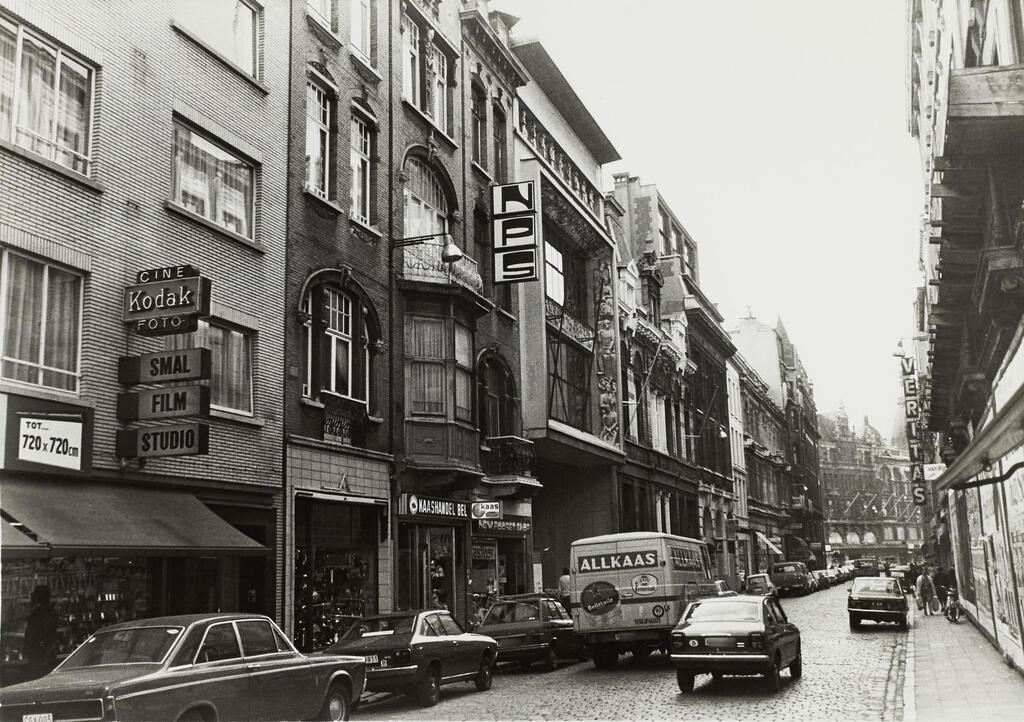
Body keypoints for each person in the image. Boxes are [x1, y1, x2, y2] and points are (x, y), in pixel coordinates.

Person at [24, 585, 58, 679]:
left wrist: (28, 648)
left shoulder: (36, 613)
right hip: (48, 651)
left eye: (34, 594)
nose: (31, 596)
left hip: (38, 653)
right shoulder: (52, 611)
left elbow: (32, 634)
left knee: (36, 677)